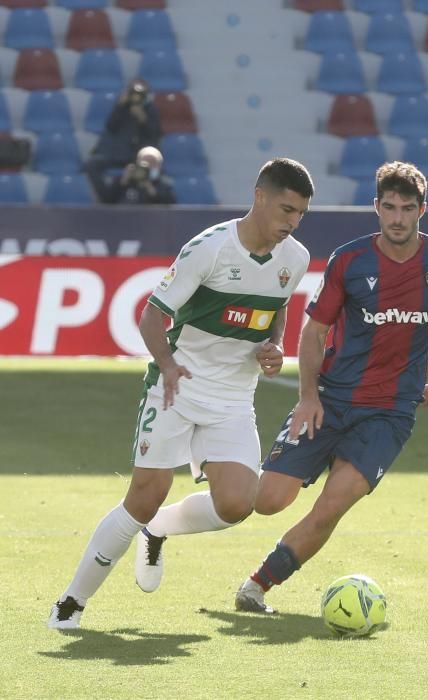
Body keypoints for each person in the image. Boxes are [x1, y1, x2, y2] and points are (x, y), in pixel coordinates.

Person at [48, 157, 315, 629]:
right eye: (286, 210)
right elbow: (154, 316)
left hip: (234, 394)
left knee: (237, 504)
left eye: (300, 215)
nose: (291, 223)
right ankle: (70, 603)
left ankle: (157, 532)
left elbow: (276, 313)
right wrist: (168, 366)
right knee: (145, 494)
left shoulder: (295, 258)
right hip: (178, 387)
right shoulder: (208, 249)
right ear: (259, 196)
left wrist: (273, 347)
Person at [233, 160, 428, 614]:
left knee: (330, 507)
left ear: (424, 209)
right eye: (389, 207)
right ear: (375, 207)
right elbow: (314, 332)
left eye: (407, 208)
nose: (397, 218)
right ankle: (187, 513)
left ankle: (256, 586)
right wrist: (307, 397)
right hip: (330, 400)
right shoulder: (350, 260)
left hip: (389, 413)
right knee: (266, 501)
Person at [86, 78, 162, 202]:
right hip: (114, 154)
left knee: (148, 172)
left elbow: (155, 135)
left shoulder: (151, 110)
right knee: (91, 165)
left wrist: (143, 120)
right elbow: (111, 127)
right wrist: (120, 107)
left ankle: (141, 203)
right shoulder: (121, 107)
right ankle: (105, 198)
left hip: (136, 156)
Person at [100, 146, 176, 205]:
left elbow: (170, 207)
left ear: (159, 166)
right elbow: (105, 202)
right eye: (144, 162)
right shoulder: (122, 182)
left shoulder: (164, 186)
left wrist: (150, 188)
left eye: (152, 163)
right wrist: (123, 181)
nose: (148, 166)